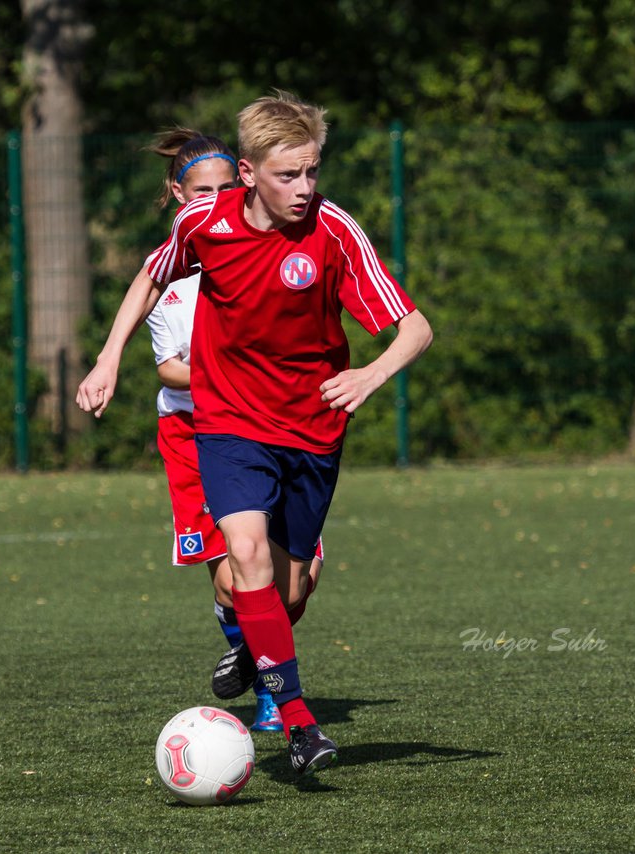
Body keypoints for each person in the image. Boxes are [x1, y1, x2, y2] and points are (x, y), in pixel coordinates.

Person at [78, 92, 433, 777]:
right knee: (247, 559)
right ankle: (300, 728)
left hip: (312, 430)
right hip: (229, 423)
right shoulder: (204, 222)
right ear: (248, 172)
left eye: (311, 173)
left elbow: (414, 328)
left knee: (289, 591)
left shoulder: (334, 232)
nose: (304, 189)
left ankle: (254, 647)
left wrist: (370, 375)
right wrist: (109, 356)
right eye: (288, 175)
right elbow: (151, 277)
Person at [145, 128, 325, 733]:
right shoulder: (178, 268)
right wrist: (226, 372)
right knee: (234, 576)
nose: (217, 198)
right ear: (178, 193)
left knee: (296, 583)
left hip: (271, 427)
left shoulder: (267, 245)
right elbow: (170, 366)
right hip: (197, 433)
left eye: (226, 186)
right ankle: (277, 692)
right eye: (203, 190)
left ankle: (254, 652)